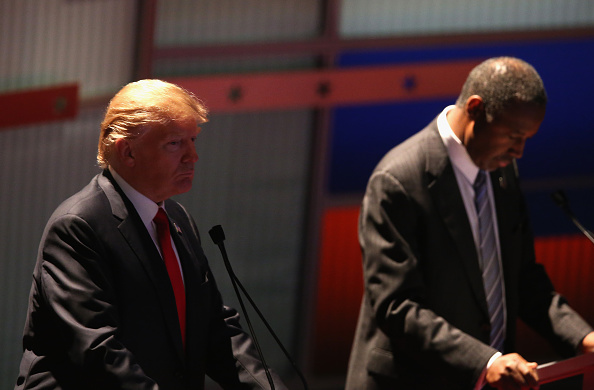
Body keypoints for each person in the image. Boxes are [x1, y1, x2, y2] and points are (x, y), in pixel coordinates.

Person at [15, 79, 288, 390]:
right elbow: (98, 351)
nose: (192, 156)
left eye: (193, 140)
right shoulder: (78, 226)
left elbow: (212, 328)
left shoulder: (177, 218)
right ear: (127, 151)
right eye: (174, 143)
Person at [345, 57, 594, 390]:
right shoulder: (398, 180)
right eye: (513, 135)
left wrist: (583, 337)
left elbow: (523, 278)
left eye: (527, 139)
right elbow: (397, 306)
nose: (519, 151)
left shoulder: (501, 171)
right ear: (476, 108)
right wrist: (485, 361)